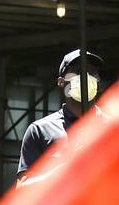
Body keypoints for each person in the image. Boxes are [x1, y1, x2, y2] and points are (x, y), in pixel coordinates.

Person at [16, 49, 105, 185]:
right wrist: (65, 170)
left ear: (98, 82)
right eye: (78, 71)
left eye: (91, 72)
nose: (86, 77)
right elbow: (23, 189)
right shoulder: (40, 130)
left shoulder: (116, 126)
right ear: (61, 82)